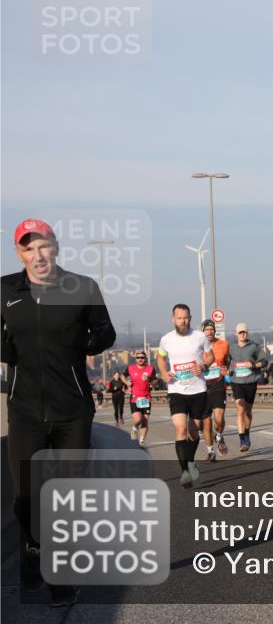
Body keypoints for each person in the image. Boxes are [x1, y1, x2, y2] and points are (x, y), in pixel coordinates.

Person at [1, 218, 116, 607]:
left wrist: (91, 340)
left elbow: (106, 331)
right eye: (28, 248)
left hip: (72, 411)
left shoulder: (82, 287)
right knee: (26, 497)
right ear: (19, 253)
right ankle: (33, 551)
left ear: (56, 247)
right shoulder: (5, 290)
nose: (37, 255)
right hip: (25, 410)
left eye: (43, 246)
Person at [158, 304, 214, 487]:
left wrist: (204, 366)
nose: (183, 321)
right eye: (179, 318)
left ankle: (190, 463)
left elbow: (210, 356)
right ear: (173, 319)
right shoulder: (166, 339)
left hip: (198, 390)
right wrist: (164, 372)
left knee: (194, 431)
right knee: (180, 429)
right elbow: (160, 357)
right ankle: (185, 471)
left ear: (190, 318)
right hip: (177, 390)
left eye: (186, 317)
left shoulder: (200, 336)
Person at [229, 323, 268, 452]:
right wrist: (226, 369)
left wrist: (252, 365)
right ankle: (242, 440)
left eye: (244, 332)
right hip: (236, 382)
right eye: (240, 332)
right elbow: (225, 362)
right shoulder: (231, 348)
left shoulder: (255, 347)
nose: (242, 334)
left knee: (248, 412)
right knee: (240, 409)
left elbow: (264, 362)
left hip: (251, 381)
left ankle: (246, 432)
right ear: (236, 334)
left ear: (247, 333)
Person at [200, 319, 230, 462]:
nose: (209, 332)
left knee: (218, 420)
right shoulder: (197, 347)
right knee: (206, 423)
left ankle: (219, 436)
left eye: (211, 329)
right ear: (202, 331)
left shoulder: (223, 345)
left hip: (218, 386)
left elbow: (228, 362)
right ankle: (210, 451)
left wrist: (226, 369)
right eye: (207, 329)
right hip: (202, 388)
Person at [126, 350, 156, 446]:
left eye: (142, 357)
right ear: (136, 359)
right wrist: (126, 383)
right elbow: (123, 376)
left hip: (146, 398)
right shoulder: (130, 368)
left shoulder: (150, 368)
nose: (140, 359)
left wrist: (149, 379)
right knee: (138, 419)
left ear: (145, 358)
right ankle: (134, 427)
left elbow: (155, 381)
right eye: (138, 357)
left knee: (145, 421)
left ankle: (142, 441)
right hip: (135, 398)